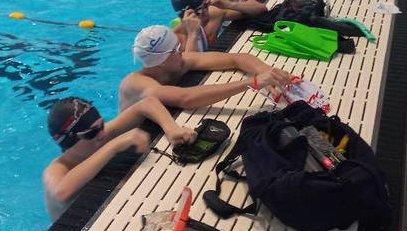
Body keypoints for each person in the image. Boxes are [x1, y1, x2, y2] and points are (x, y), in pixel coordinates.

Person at [43, 95, 196, 219]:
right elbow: (61, 193)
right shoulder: (56, 169)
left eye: (101, 125)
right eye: (91, 133)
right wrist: (114, 145)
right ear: (68, 141)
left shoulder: (98, 136)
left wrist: (171, 129)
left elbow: (146, 103)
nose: (102, 134)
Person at [119, 25, 290, 113]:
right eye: (176, 49)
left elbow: (236, 58)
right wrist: (254, 82)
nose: (182, 50)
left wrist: (267, 72)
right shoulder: (137, 83)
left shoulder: (179, 61)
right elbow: (186, 98)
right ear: (160, 61)